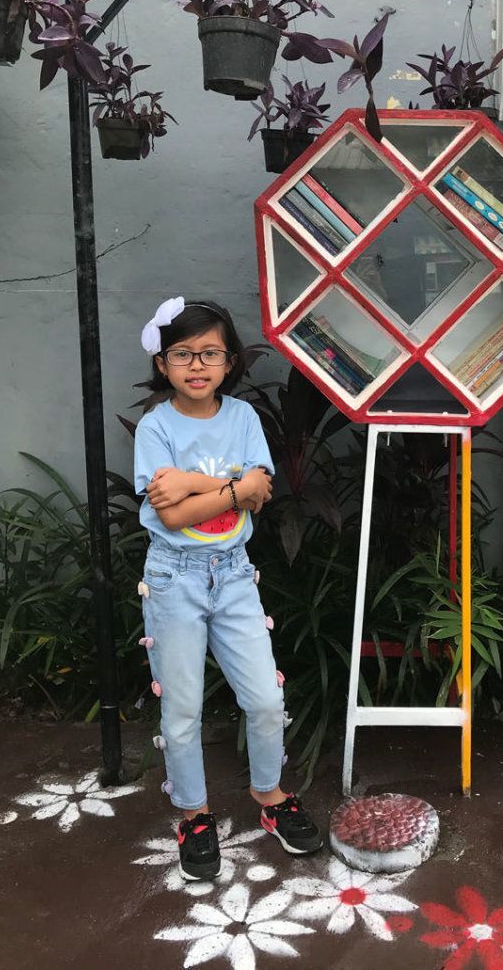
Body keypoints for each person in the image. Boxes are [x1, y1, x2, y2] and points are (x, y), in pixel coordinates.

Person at [134, 296, 323, 881]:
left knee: (264, 698)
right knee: (182, 708)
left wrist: (192, 482)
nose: (197, 364)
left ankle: (269, 795)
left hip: (236, 575)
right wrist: (233, 487)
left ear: (230, 361)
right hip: (174, 578)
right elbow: (170, 517)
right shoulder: (156, 427)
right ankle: (194, 814)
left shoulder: (242, 418)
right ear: (162, 363)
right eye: (182, 354)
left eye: (210, 353)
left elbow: (260, 491)